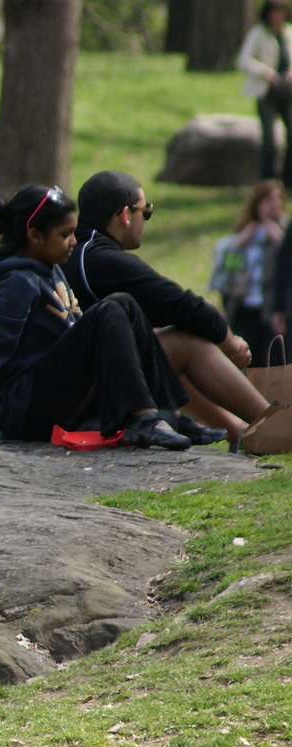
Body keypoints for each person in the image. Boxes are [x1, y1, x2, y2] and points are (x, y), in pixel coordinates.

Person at [0, 184, 194, 450]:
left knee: (125, 305)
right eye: (64, 234)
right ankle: (145, 419)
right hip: (22, 411)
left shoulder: (50, 270)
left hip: (53, 396)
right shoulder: (15, 284)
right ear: (35, 236)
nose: (74, 241)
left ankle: (165, 414)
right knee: (111, 309)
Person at [64, 170, 269, 447]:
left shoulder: (80, 251)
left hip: (77, 380)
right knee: (187, 344)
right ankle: (271, 425)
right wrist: (230, 342)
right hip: (86, 390)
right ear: (125, 215)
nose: (145, 220)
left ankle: (238, 431)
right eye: (145, 212)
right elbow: (184, 305)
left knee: (161, 341)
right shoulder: (98, 259)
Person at [215, 180, 287, 366]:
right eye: (268, 201)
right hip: (245, 308)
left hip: (274, 309)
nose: (273, 206)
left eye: (277, 200)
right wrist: (238, 244)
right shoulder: (244, 234)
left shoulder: (286, 233)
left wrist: (281, 243)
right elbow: (226, 274)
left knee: (274, 359)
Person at [238, 1, 292, 186]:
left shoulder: (288, 33)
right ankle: (267, 181)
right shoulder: (258, 33)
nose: (278, 17)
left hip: (288, 90)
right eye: (274, 12)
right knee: (269, 138)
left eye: (281, 12)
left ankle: (288, 179)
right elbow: (244, 59)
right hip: (267, 91)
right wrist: (265, 72)